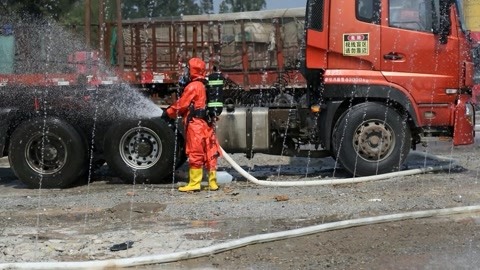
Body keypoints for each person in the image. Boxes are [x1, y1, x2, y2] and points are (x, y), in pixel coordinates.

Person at [163, 57, 221, 192]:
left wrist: (168, 113)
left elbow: (182, 104)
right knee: (210, 151)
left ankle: (194, 183)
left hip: (196, 124)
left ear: (193, 71)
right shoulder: (205, 85)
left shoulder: (193, 86)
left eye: (187, 69)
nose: (185, 72)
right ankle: (212, 183)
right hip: (206, 123)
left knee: (195, 152)